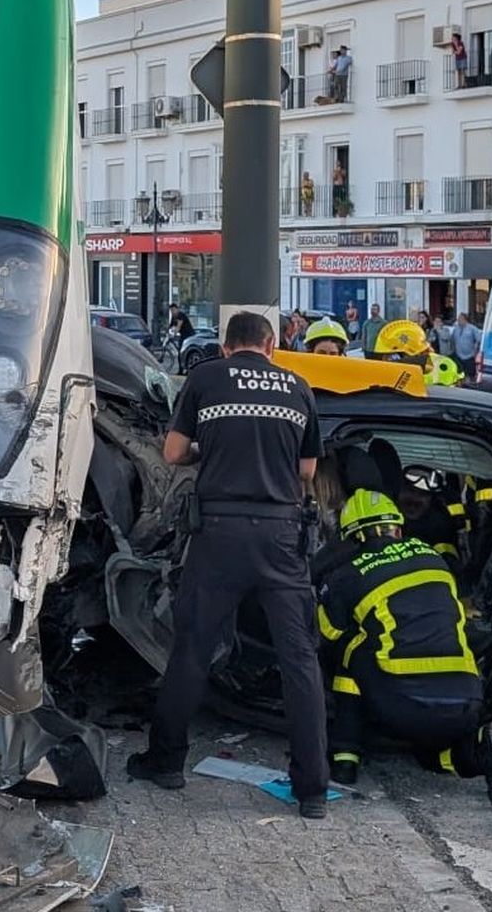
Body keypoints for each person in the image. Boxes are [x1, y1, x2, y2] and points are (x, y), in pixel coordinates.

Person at [128, 313, 332, 819]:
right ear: (271, 345)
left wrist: (212, 448)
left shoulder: (205, 378)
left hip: (219, 533)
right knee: (299, 660)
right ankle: (312, 792)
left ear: (226, 347)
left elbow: (174, 452)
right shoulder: (298, 386)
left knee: (193, 648)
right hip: (282, 536)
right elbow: (307, 472)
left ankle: (167, 762)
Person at [317, 489, 492, 802]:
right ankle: (482, 746)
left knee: (353, 648)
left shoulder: (350, 572)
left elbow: (329, 633)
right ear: (398, 528)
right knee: (435, 758)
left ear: (351, 536)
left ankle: (345, 756)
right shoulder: (433, 558)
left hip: (400, 700)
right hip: (464, 697)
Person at [452, 314, 483, 382]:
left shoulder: (472, 328)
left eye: (460, 319)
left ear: (465, 319)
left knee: (470, 373)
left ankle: (470, 383)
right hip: (458, 355)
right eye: (458, 319)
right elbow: (452, 340)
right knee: (460, 372)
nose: (458, 320)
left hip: (469, 356)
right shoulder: (456, 328)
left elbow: (479, 340)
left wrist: (476, 350)